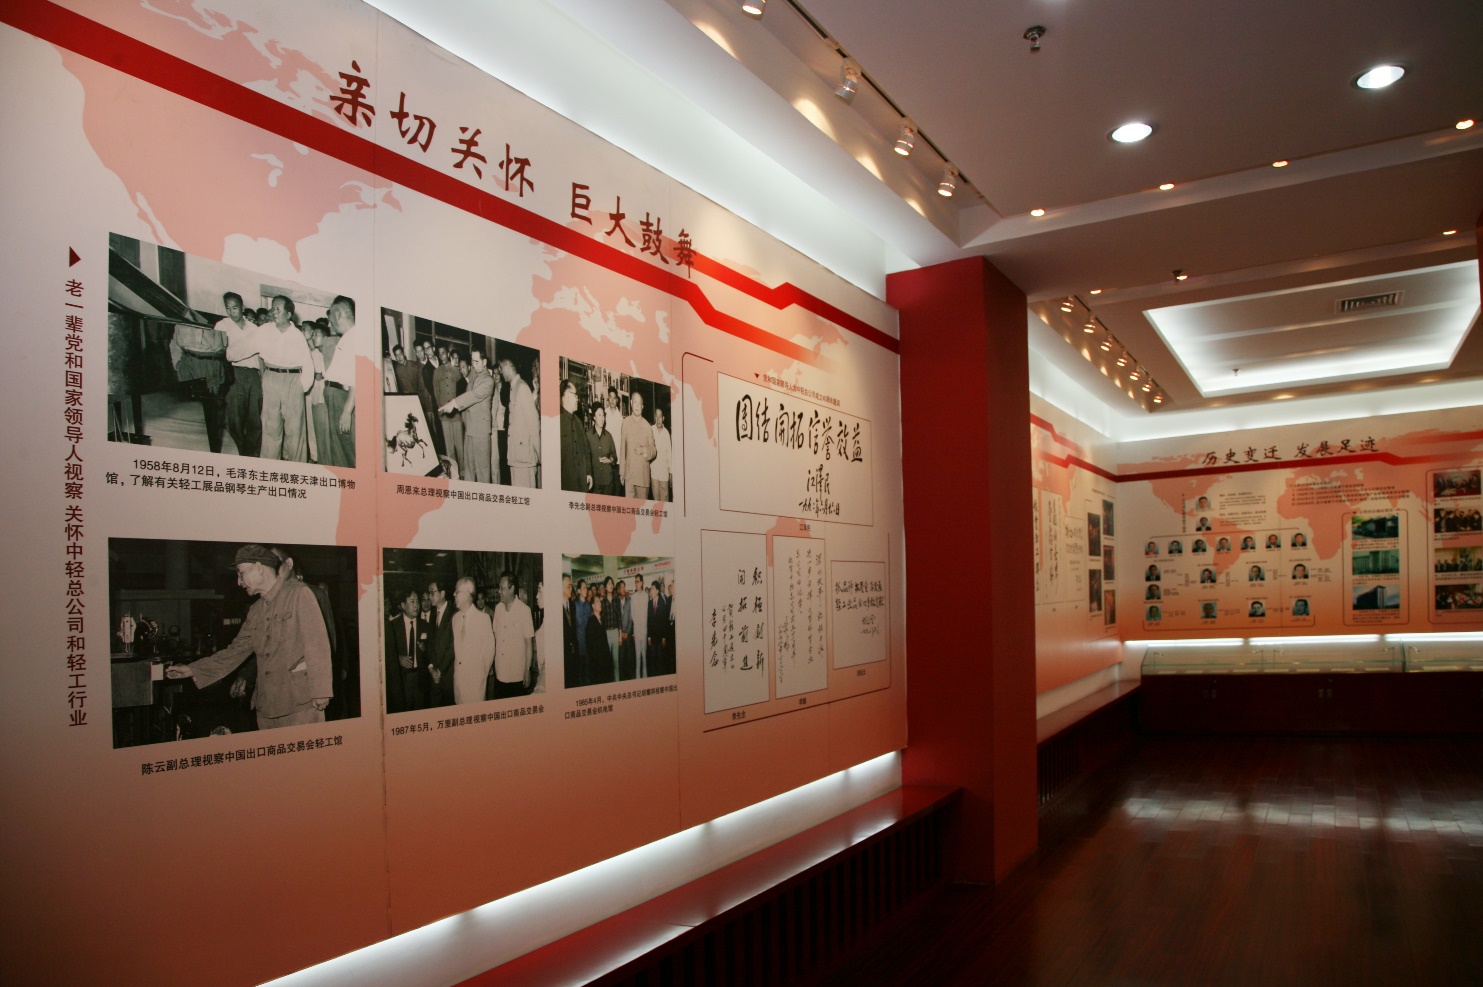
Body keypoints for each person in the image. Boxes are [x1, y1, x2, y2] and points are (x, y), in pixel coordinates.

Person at [165, 544, 331, 729]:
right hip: (266, 705)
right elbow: (235, 651)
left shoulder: (298, 593)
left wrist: (321, 690)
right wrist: (193, 669)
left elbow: (317, 644)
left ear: (259, 568)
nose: (239, 582)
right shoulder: (256, 610)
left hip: (301, 703)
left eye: (241, 573)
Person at [256, 295, 314, 462]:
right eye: (272, 308)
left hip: (293, 381)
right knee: (270, 427)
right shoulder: (266, 330)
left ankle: (297, 468)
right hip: (271, 378)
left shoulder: (297, 336)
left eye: (278, 309)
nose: (273, 312)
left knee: (295, 430)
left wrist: (300, 387)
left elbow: (308, 365)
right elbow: (254, 350)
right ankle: (269, 466)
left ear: (288, 314)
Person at [171, 304, 229, 453]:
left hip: (211, 363)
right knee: (190, 408)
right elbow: (175, 344)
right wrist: (178, 364)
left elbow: (226, 347)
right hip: (188, 362)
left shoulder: (219, 320)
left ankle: (214, 449)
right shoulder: (183, 319)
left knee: (213, 408)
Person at [216, 292, 265, 458]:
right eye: (228, 308)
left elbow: (260, 355)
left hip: (253, 374)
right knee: (235, 417)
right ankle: (240, 450)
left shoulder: (254, 328)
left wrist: (262, 376)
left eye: (235, 308)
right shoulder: (222, 326)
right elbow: (225, 354)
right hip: (233, 374)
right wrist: (249, 347)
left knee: (255, 416)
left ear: (242, 307)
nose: (232, 312)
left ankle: (253, 452)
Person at [441, 349, 495, 482]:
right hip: (469, 428)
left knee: (482, 471)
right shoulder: (473, 376)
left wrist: (454, 403)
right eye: (472, 361)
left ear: (484, 362)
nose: (474, 365)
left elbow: (473, 395)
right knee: (469, 469)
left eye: (477, 362)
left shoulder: (488, 381)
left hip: (480, 431)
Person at [319, 295, 359, 467]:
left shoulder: (355, 338)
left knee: (347, 451)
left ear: (338, 315)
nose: (330, 324)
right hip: (336, 398)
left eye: (330, 320)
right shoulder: (347, 337)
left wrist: (347, 411)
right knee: (339, 449)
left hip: (342, 399)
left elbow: (357, 379)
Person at [488, 571, 535, 700]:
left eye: (502, 588)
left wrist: (528, 670)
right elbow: (494, 639)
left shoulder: (524, 611)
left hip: (517, 673)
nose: (499, 591)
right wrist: (491, 663)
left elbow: (528, 644)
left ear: (512, 588)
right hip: (500, 671)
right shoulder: (498, 609)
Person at [450, 576, 494, 705]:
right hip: (458, 684)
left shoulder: (483, 619)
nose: (454, 594)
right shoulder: (455, 619)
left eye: (457, 591)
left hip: (475, 685)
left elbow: (489, 653)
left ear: (468, 593)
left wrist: (480, 677)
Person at [385, 588, 428, 713]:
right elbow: (386, 654)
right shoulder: (393, 626)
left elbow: (431, 653)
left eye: (417, 601)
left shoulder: (425, 625)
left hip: (419, 678)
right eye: (412, 601)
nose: (417, 605)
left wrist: (425, 649)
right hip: (401, 679)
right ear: (403, 605)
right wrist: (398, 658)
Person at [501, 357, 540, 488]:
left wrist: (539, 453)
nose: (501, 373)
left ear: (507, 367)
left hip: (523, 456)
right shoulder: (514, 387)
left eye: (501, 369)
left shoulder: (522, 387)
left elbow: (533, 423)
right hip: (516, 454)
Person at [433, 343, 465, 477]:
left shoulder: (457, 370)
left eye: (444, 353)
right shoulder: (437, 372)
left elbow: (462, 386)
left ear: (448, 354)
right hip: (444, 415)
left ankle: (463, 472)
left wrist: (455, 367)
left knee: (460, 445)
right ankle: (454, 473)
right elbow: (436, 392)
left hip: (456, 414)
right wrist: (441, 409)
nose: (442, 355)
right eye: (439, 353)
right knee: (449, 446)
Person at [621, 391, 658, 499]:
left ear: (642, 406)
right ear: (631, 403)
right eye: (635, 402)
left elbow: (654, 450)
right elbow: (623, 448)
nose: (637, 406)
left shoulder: (647, 426)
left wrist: (645, 450)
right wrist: (622, 472)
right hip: (629, 475)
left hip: (642, 477)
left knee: (642, 507)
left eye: (639, 403)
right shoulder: (625, 422)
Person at [425, 578, 455, 707]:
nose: (429, 596)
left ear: (442, 593)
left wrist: (440, 670)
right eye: (429, 593)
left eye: (432, 592)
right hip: (434, 676)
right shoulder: (432, 614)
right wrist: (431, 667)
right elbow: (430, 643)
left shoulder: (454, 613)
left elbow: (453, 647)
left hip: (449, 675)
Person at [560, 380, 592, 492]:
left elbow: (586, 450)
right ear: (566, 395)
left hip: (581, 481)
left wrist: (588, 473)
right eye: (575, 395)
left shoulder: (578, 422)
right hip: (565, 483)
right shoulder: (557, 421)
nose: (577, 399)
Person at [588, 406, 620, 496]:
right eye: (599, 415)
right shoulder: (588, 435)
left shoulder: (608, 436)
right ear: (594, 417)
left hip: (607, 481)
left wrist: (610, 460)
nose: (602, 418)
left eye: (603, 415)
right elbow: (585, 458)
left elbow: (614, 455)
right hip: (594, 482)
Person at [586, 593, 613, 685]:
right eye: (597, 602)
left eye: (600, 602)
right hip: (597, 664)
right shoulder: (591, 622)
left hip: (604, 661)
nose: (600, 603)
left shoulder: (602, 620)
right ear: (593, 606)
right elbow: (591, 647)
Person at [630, 575, 650, 677]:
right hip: (637, 630)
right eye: (635, 582)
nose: (636, 583)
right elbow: (633, 614)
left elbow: (647, 613)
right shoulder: (633, 597)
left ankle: (645, 679)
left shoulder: (646, 596)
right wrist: (635, 630)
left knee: (644, 657)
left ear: (642, 582)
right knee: (637, 657)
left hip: (644, 630)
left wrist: (643, 625)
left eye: (638, 581)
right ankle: (638, 679)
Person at [652, 407, 672, 502]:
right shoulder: (651, 430)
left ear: (663, 418)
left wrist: (671, 472)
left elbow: (669, 454)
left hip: (664, 472)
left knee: (664, 499)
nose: (658, 419)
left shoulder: (666, 433)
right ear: (654, 417)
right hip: (654, 471)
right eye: (656, 416)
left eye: (660, 417)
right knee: (656, 499)